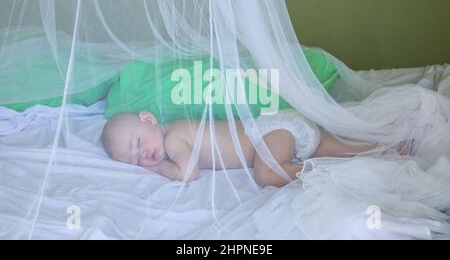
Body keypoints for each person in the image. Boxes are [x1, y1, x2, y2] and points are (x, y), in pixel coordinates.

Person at [101, 110, 411, 187]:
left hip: (271, 134)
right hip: (278, 130)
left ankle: (327, 173)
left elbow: (189, 173)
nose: (144, 156)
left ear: (149, 119)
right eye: (135, 160)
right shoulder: (177, 130)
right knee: (334, 147)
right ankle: (383, 148)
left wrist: (156, 168)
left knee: (266, 175)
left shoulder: (172, 139)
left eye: (139, 143)